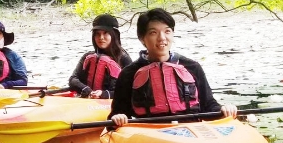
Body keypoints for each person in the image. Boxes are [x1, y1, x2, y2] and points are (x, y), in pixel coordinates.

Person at [108, 8, 237, 126]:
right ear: (142, 38)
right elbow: (117, 113)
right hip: (148, 134)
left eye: (167, 31)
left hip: (190, 130)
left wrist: (223, 110)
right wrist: (118, 117)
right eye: (153, 33)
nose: (162, 38)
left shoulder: (192, 67)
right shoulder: (128, 73)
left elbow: (209, 105)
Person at [68, 13, 133, 99]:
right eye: (97, 34)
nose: (101, 37)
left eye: (105, 33)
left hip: (110, 103)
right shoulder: (87, 57)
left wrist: (104, 94)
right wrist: (87, 90)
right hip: (87, 100)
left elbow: (130, 90)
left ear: (114, 35)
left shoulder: (124, 59)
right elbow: (73, 79)